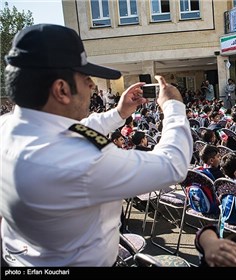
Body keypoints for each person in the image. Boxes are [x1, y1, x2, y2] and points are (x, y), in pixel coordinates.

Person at [0, 24, 192, 267]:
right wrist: (173, 107)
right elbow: (172, 166)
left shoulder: (7, 126)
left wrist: (118, 113)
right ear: (61, 89)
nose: (92, 85)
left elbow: (72, 130)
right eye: (86, 78)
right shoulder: (81, 159)